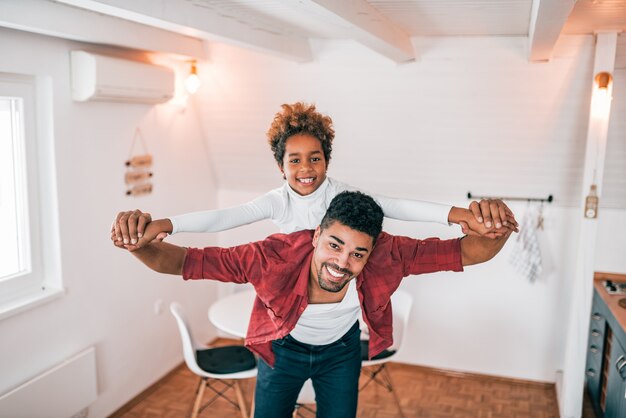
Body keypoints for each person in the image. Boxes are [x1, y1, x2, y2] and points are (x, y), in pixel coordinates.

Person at [113, 191, 515, 418]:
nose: (342, 263)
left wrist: (494, 227)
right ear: (315, 234)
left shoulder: (390, 254)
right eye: (334, 245)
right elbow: (182, 262)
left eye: (358, 254)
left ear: (373, 250)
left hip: (341, 354)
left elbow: (470, 252)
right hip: (280, 352)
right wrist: (136, 243)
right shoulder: (270, 255)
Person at [111, 102, 516, 247]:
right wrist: (167, 224)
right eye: (295, 160)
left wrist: (457, 214)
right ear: (281, 166)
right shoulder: (276, 201)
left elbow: (394, 206)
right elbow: (226, 217)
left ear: (327, 159)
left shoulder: (342, 196)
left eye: (315, 158)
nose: (306, 169)